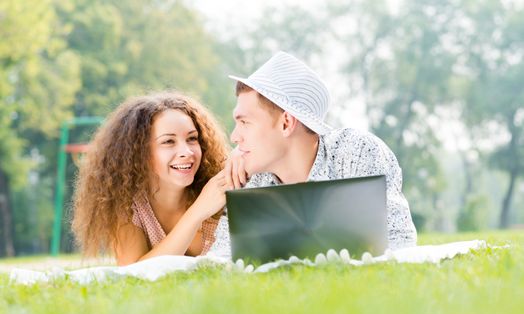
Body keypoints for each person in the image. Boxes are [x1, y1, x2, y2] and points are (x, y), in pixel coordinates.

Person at [214, 51, 417, 257]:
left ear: (286, 123)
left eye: (244, 122)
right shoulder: (248, 176)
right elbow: (219, 259)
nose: (234, 136)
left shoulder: (357, 152)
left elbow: (399, 245)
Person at [72, 91, 230, 265]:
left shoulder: (218, 191)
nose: (187, 152)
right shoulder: (128, 208)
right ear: (140, 152)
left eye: (192, 139)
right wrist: (197, 213)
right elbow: (134, 273)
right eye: (168, 142)